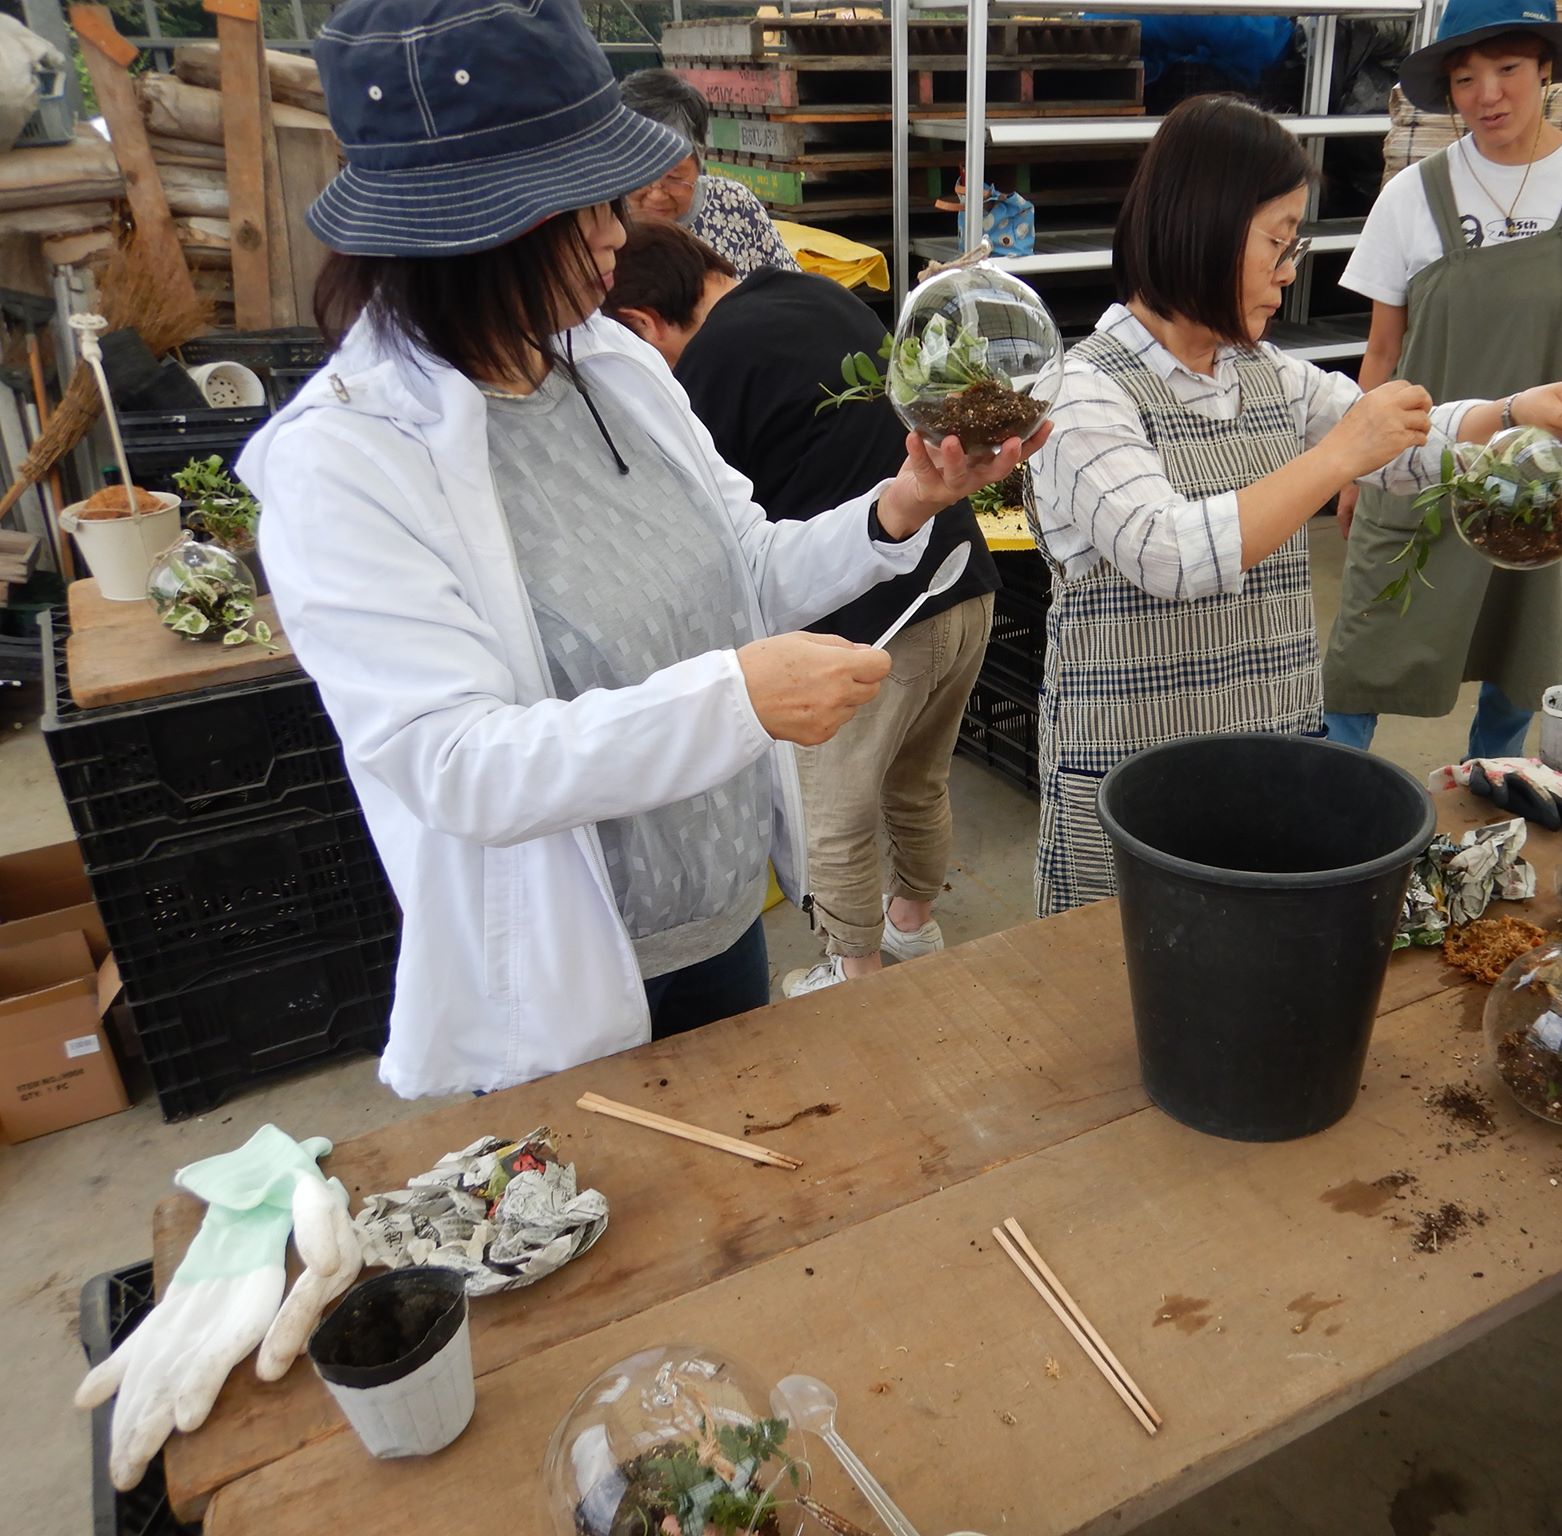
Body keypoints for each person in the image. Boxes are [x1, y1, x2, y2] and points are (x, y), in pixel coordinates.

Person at [236, 0, 1039, 1098]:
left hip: (723, 917)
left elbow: (746, 570)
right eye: (589, 206)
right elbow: (455, 763)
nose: (620, 234)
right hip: (575, 973)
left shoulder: (612, 366)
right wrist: (736, 700)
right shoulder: (344, 463)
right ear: (480, 230)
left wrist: (900, 506)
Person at [1027, 94, 1562, 916]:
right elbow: (1171, 553)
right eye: (1277, 241)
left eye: (1293, 244)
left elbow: (1405, 447)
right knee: (1115, 971)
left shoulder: (1263, 371)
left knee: (1252, 947)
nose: (1287, 269)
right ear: (1203, 227)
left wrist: (1514, 412)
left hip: (1264, 753)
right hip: (1132, 782)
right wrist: (1339, 455)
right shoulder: (1081, 393)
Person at [601, 221, 999, 996]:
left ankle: (854, 973)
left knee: (835, 809)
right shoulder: (818, 293)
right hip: (962, 574)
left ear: (641, 325)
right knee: (918, 781)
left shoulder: (705, 368)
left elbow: (710, 539)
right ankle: (913, 925)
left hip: (873, 622)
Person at [1320, 0, 1562, 760]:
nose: (1487, 95)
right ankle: (1331, 795)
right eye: (1465, 78)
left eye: (1507, 69)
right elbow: (1383, 350)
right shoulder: (1412, 194)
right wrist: (1351, 468)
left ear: (1545, 68)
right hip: (1421, 465)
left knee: (1523, 659)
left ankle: (1489, 785)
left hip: (1543, 479)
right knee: (1363, 655)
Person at [618, 68, 802, 279]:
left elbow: (790, 284)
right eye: (643, 175)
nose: (657, 195)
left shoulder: (733, 205)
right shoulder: (603, 223)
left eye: (674, 177)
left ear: (701, 157)